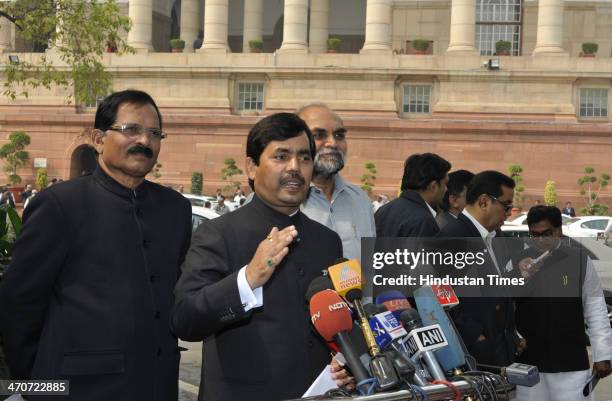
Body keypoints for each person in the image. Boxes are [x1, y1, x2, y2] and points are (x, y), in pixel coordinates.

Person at [0, 90, 192, 401]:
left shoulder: (175, 209)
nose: (145, 141)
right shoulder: (60, 205)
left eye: (154, 133)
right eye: (131, 130)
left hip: (156, 385)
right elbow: (18, 303)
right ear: (98, 139)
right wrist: (36, 384)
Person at [171, 113, 350, 401]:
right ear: (252, 167)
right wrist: (248, 279)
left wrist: (343, 362)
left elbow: (332, 322)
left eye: (304, 158)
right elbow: (185, 319)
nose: (295, 168)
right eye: (281, 156)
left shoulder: (327, 241)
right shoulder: (218, 234)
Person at [514, 205, 612, 401]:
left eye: (546, 233)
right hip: (529, 364)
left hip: (571, 365)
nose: (540, 240)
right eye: (534, 235)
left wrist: (603, 355)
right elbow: (506, 306)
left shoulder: (579, 260)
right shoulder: (518, 262)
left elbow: (595, 309)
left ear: (559, 231)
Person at [437, 170, 519, 366]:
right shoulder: (453, 237)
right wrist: (475, 335)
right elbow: (439, 294)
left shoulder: (495, 236)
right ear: (484, 202)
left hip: (499, 350)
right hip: (474, 354)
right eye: (506, 206)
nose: (508, 215)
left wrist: (511, 334)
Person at [297, 103, 376, 262]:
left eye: (339, 135)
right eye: (319, 135)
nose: (332, 143)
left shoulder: (360, 199)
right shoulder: (277, 202)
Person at [375, 153, 450, 237]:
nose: (446, 189)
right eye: (445, 184)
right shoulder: (423, 221)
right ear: (433, 186)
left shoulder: (383, 210)